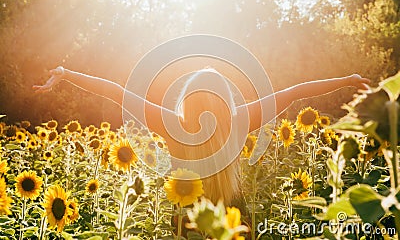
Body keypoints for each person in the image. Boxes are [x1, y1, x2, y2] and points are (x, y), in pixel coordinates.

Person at [33, 65, 370, 205]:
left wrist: (65, 73)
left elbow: (115, 91)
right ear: (225, 99)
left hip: (184, 215)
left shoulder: (171, 122)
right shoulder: (239, 121)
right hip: (231, 215)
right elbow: (295, 92)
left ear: (187, 99)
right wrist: (348, 80)